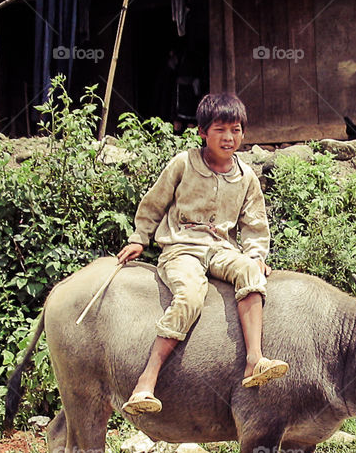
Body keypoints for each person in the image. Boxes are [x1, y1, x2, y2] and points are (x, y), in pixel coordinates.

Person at [116, 92, 289, 415]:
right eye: (220, 129)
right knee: (190, 296)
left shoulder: (246, 176)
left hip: (222, 249)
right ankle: (146, 380)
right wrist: (140, 237)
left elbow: (254, 225)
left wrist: (255, 255)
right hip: (182, 248)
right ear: (202, 132)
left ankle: (255, 360)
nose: (228, 137)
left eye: (236, 130)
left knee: (251, 272)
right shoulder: (184, 164)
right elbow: (154, 203)